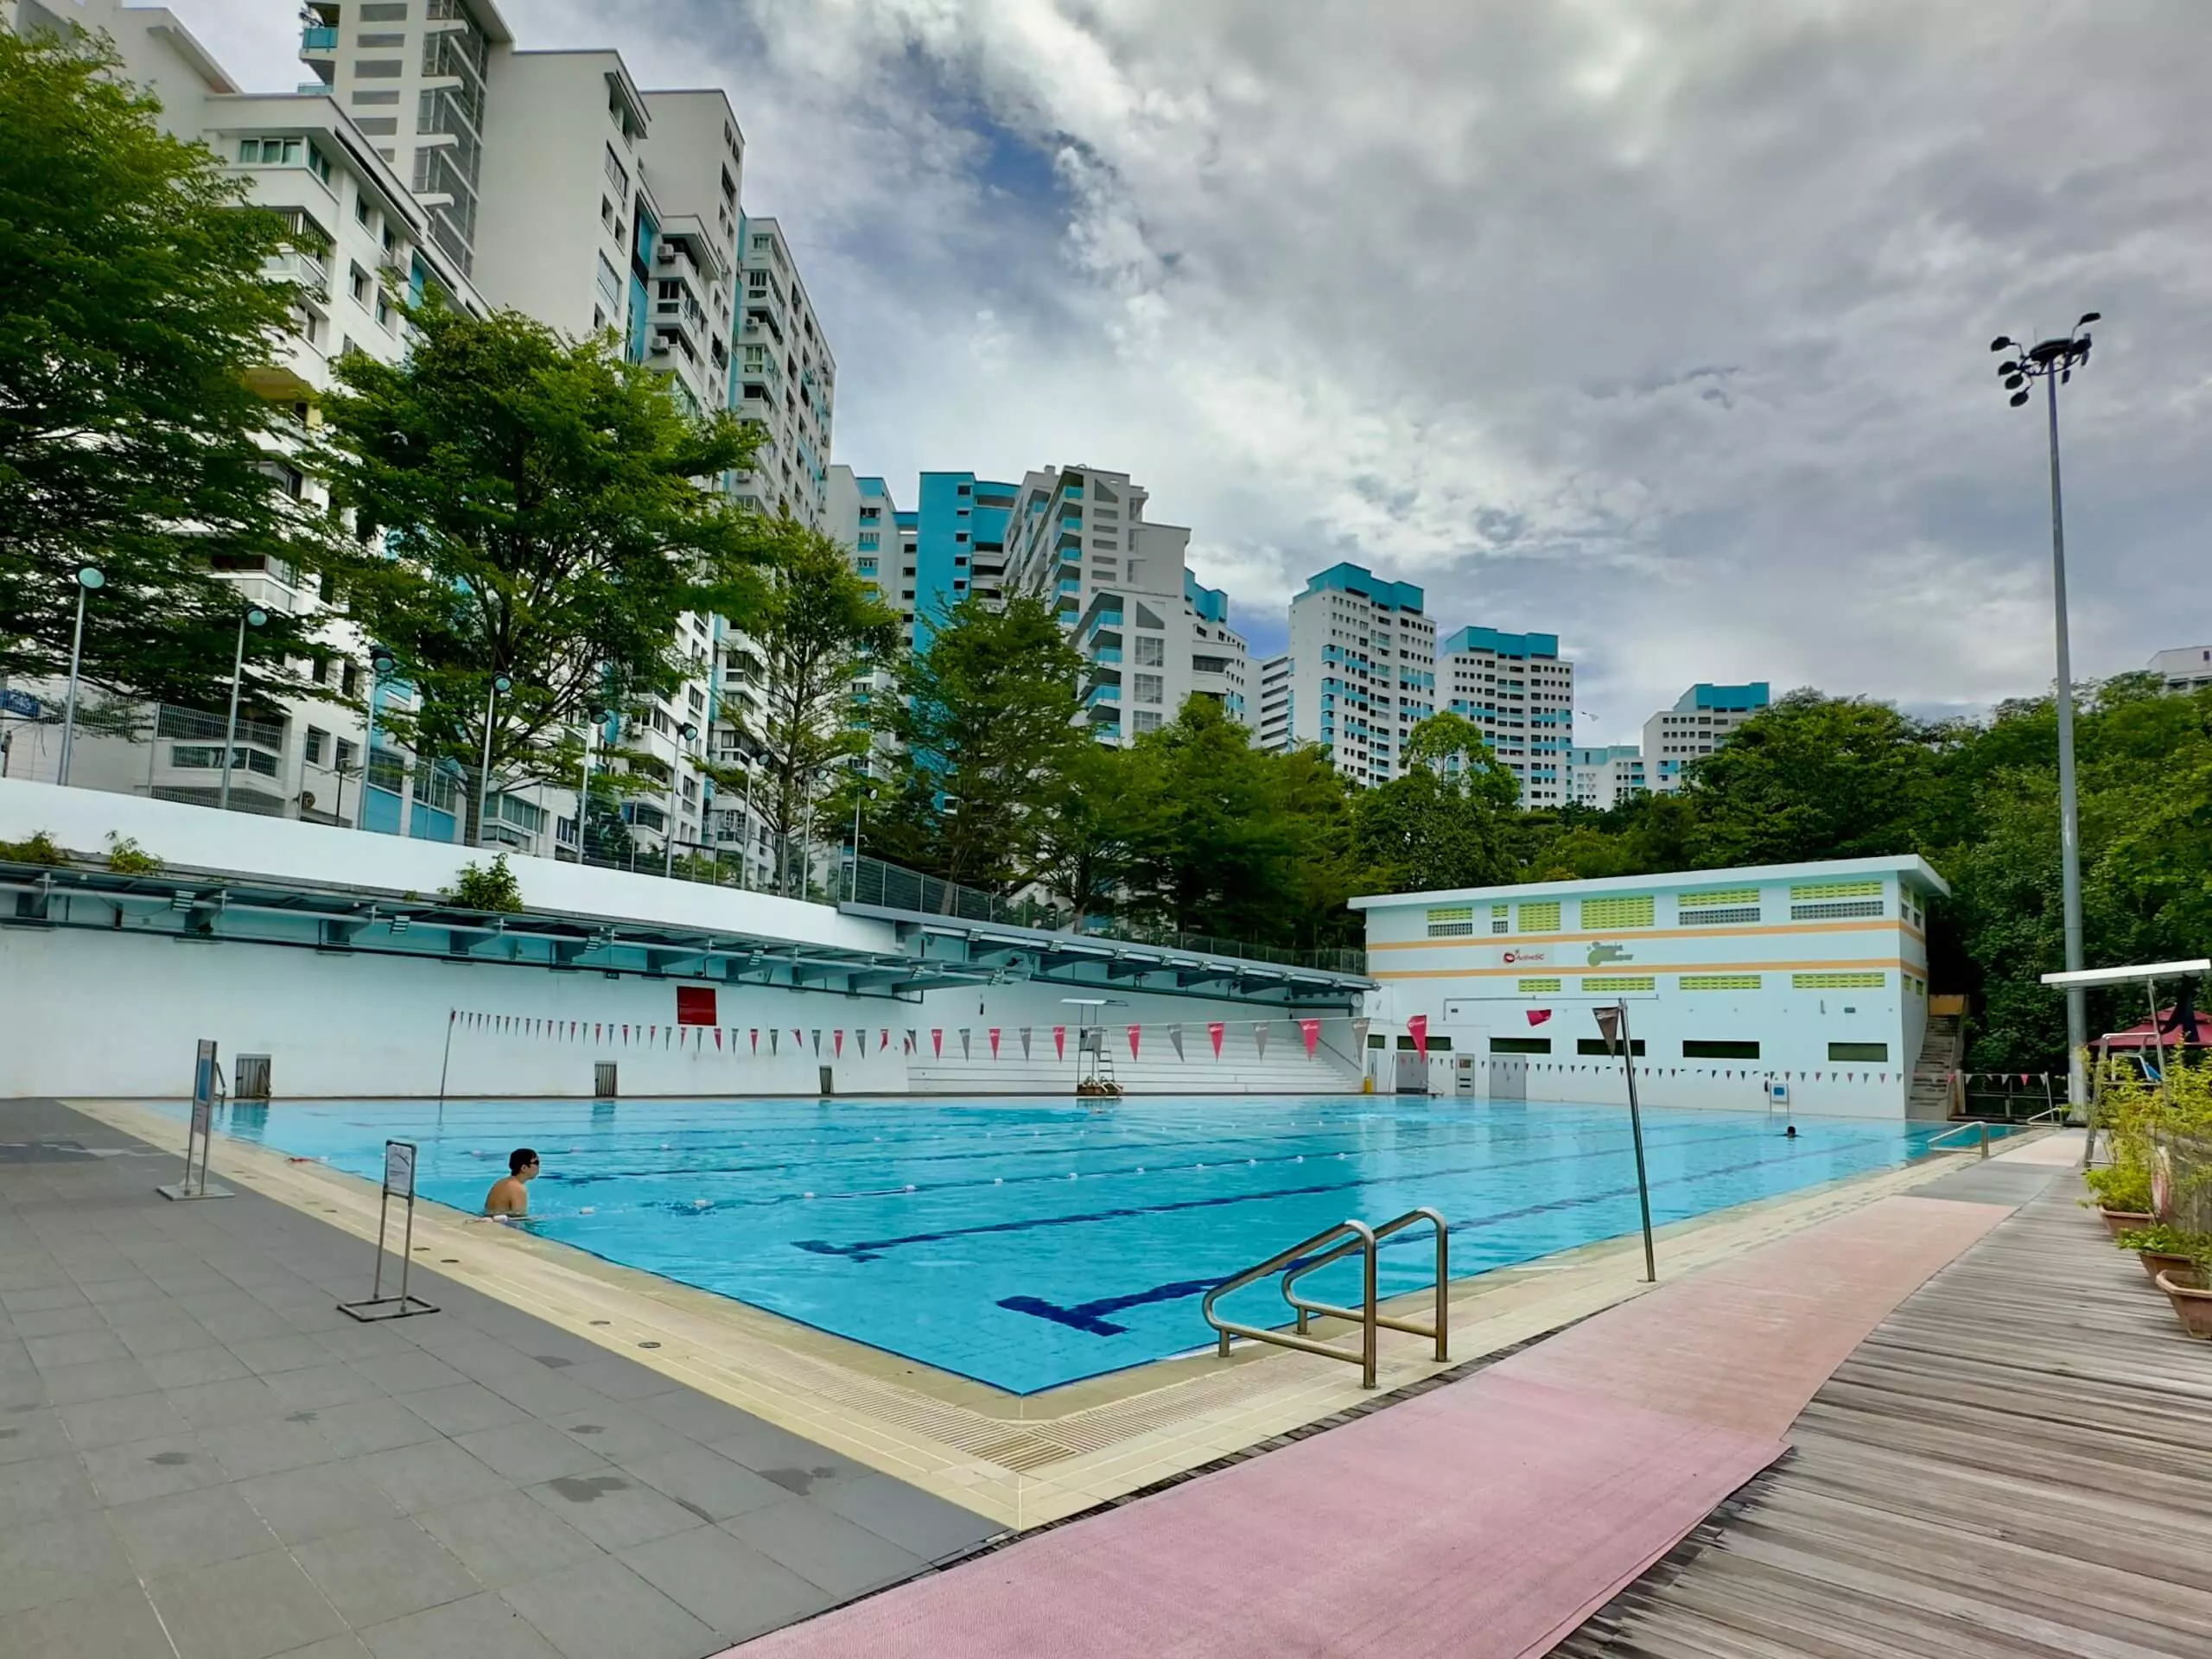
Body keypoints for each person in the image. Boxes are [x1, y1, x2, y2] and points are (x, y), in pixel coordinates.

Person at [485, 1147, 539, 1217]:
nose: (539, 1166)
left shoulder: (501, 1182)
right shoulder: (518, 1188)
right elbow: (520, 1219)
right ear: (524, 1168)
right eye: (536, 1163)